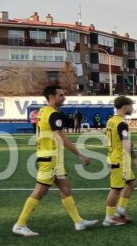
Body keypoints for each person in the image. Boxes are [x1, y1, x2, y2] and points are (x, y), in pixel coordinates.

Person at [12, 84, 97, 236]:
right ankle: (19, 224)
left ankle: (78, 222)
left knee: (66, 189)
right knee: (40, 191)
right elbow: (62, 138)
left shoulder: (43, 111)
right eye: (61, 95)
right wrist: (80, 155)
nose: (64, 98)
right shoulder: (53, 114)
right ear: (51, 97)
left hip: (52, 158)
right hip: (49, 158)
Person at [103, 96, 137, 226]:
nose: (132, 108)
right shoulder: (122, 123)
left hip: (117, 157)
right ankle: (109, 218)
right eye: (131, 106)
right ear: (125, 107)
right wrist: (135, 158)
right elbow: (125, 143)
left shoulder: (111, 121)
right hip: (118, 160)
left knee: (132, 183)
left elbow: (108, 140)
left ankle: (120, 209)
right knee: (115, 189)